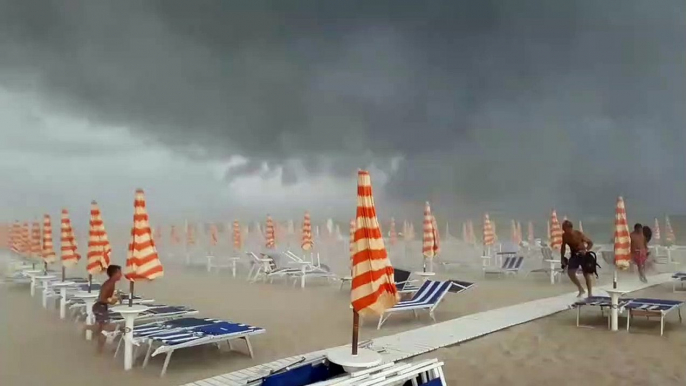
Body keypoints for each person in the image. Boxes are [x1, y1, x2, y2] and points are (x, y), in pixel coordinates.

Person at [92, 264, 122, 353]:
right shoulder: (110, 284)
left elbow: (106, 296)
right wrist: (111, 301)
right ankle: (99, 351)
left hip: (100, 307)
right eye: (119, 273)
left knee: (101, 329)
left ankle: (98, 348)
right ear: (115, 273)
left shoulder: (111, 283)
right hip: (100, 307)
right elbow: (102, 298)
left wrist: (114, 298)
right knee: (105, 330)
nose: (121, 275)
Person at [560, 220, 594, 297]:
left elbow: (590, 243)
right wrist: (562, 257)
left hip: (583, 254)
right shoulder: (564, 236)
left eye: (565, 229)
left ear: (570, 228)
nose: (564, 230)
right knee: (570, 273)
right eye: (563, 229)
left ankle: (590, 293)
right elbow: (563, 246)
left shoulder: (578, 234)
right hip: (574, 255)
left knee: (587, 274)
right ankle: (581, 289)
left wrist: (586, 250)